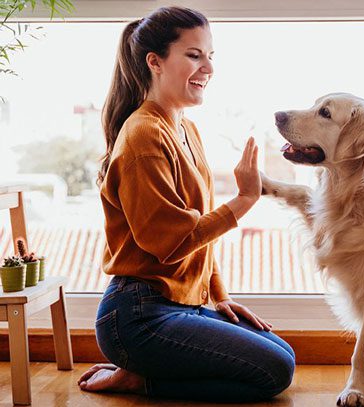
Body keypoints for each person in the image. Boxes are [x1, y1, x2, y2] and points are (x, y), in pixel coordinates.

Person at [77, 6, 295, 402]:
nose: (207, 67)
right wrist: (245, 199)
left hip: (181, 303)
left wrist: (219, 294)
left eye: (211, 56)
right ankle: (139, 378)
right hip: (138, 315)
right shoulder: (143, 136)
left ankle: (142, 372)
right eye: (194, 55)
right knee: (275, 372)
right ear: (155, 62)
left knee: (283, 354)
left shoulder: (185, 127)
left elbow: (197, 237)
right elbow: (170, 243)